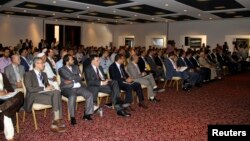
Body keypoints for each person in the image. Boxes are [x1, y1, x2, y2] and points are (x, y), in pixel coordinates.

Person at [23, 57, 66, 132]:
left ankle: (55, 122)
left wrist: (50, 87)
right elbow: (30, 89)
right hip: (34, 95)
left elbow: (46, 85)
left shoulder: (44, 74)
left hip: (44, 94)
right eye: (42, 63)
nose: (44, 65)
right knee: (57, 96)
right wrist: (44, 88)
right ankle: (56, 121)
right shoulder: (28, 74)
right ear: (36, 64)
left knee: (56, 92)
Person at [59, 54, 97, 125]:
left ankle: (87, 114)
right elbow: (71, 77)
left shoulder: (76, 67)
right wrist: (75, 77)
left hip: (78, 87)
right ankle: (72, 117)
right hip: (67, 88)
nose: (73, 60)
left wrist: (72, 79)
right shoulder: (61, 69)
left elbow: (81, 77)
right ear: (67, 61)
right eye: (71, 59)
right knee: (72, 96)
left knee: (89, 94)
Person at [0, 73, 24, 141]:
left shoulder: (2, 75)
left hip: (5, 99)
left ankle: (2, 108)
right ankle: (10, 137)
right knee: (6, 112)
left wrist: (5, 91)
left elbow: (10, 88)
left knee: (20, 94)